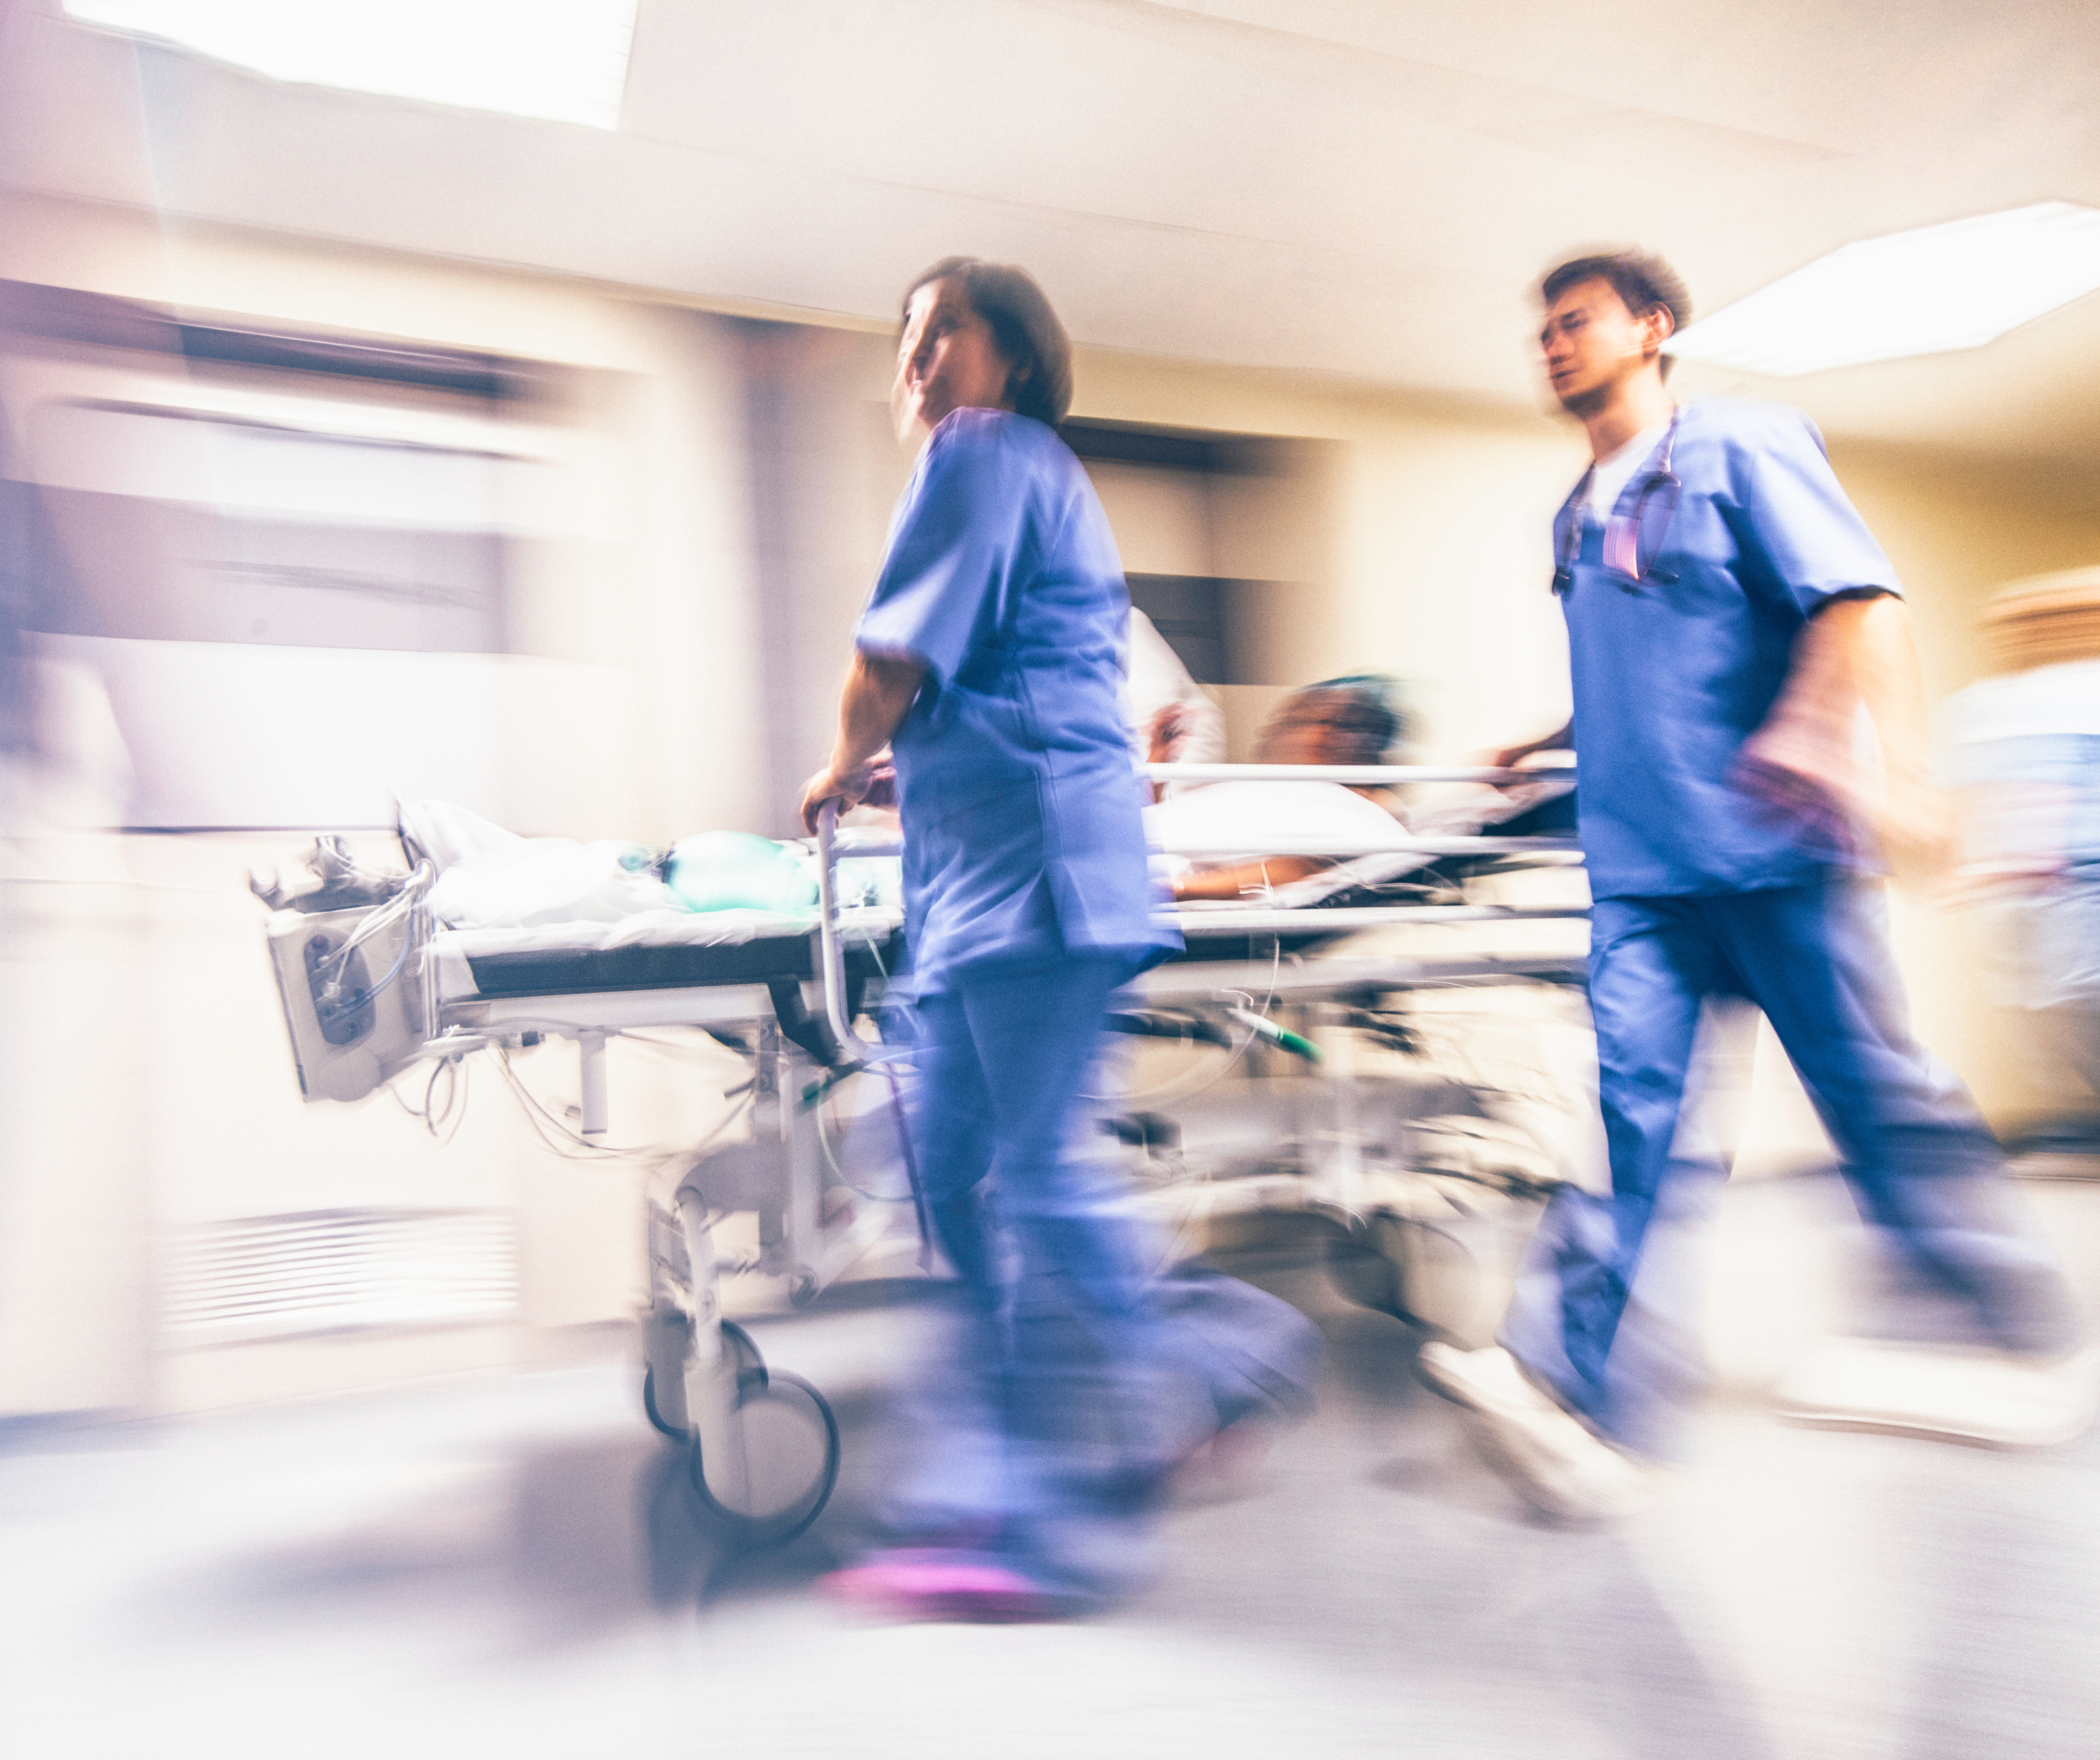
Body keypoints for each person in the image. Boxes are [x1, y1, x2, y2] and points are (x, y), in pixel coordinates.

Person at [1415, 249, 2091, 1518]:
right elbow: (1656, 657)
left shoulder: (1737, 445)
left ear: (1650, 329)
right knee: (1631, 1129)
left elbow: (1847, 599)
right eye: (1541, 331)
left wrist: (1817, 731)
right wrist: (1544, 740)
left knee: (1876, 1099)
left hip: (1773, 852)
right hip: (1642, 878)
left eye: (1576, 323)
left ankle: (2020, 1330)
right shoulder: (1573, 514)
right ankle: (1586, 1398)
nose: (1552, 345)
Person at [798, 257, 1319, 1617]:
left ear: (1014, 355)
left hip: (1035, 885)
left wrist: (837, 754)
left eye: (944, 332)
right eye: (903, 340)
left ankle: (1046, 1517)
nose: (916, 360)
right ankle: (1175, 1385)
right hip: (984, 886)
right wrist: (902, 768)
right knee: (940, 1166)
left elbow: (892, 662)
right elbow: (1006, 686)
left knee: (1021, 1185)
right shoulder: (1019, 478)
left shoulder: (985, 451)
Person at [1946, 572, 2100, 1138]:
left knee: (2082, 1000)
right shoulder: (1987, 704)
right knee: (2037, 1010)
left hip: (2086, 881)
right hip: (2007, 890)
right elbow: (1971, 791)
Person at [1150, 677, 1403, 901]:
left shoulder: (1359, 812)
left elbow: (1294, 869)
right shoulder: (1266, 789)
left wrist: (1178, 889)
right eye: (1299, 719)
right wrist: (1158, 765)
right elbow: (1154, 824)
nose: (1318, 733)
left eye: (1335, 723)